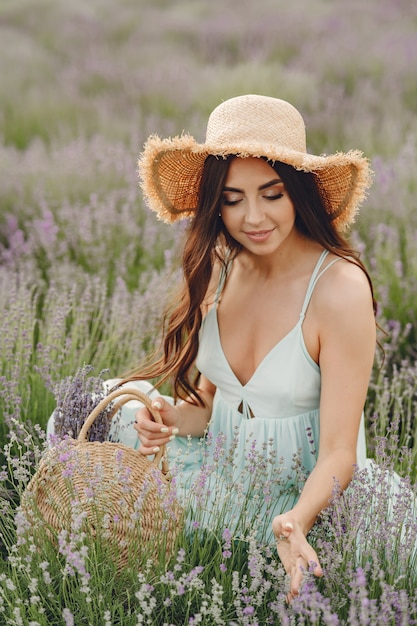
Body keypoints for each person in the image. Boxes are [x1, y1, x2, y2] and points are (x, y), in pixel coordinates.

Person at [50, 94, 378, 599]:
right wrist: (166, 417)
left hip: (295, 494)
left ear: (299, 192)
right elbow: (208, 405)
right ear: (214, 203)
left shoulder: (339, 290)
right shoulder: (223, 268)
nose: (253, 218)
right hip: (216, 461)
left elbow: (339, 450)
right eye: (231, 198)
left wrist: (296, 520)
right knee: (87, 406)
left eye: (271, 194)